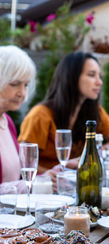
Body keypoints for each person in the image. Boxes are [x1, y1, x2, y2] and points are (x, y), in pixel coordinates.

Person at [19, 52, 109, 173]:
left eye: (100, 76)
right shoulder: (40, 115)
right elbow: (22, 162)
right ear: (72, 77)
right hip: (44, 186)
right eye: (91, 75)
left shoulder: (95, 112)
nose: (99, 82)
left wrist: (92, 154)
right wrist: (51, 175)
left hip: (75, 184)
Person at [0, 45, 60, 193]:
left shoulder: (6, 122)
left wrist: (44, 178)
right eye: (14, 84)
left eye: (26, 85)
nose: (22, 93)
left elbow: (16, 180)